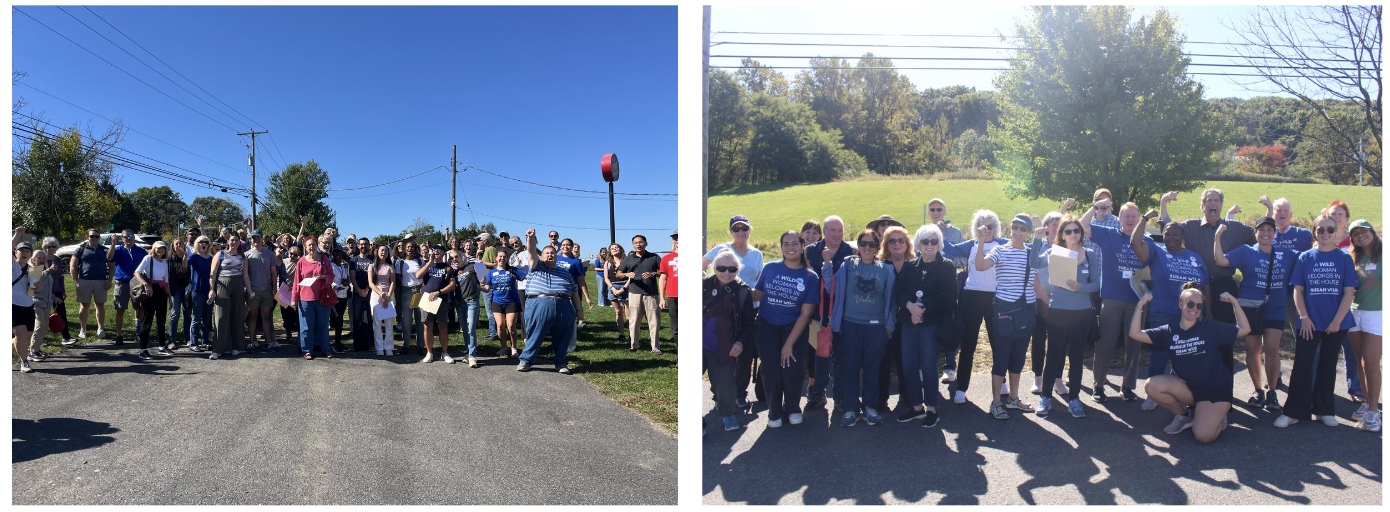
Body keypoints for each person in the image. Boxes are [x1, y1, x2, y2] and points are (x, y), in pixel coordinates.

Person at [1159, 188, 1253, 392]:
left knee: (1224, 340)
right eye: (1208, 200)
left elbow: (1262, 236)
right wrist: (1164, 203)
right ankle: (1195, 390)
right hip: (1197, 290)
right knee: (1195, 341)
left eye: (1216, 200)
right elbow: (1169, 229)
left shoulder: (1235, 228)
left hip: (1224, 288)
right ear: (1202, 206)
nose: (1212, 203)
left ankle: (1224, 392)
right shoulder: (1190, 227)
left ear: (1221, 205)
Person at [1129, 286, 1249, 442]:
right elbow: (1135, 334)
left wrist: (1234, 302)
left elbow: (1245, 329)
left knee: (1203, 436)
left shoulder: (1210, 327)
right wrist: (1141, 305)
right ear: (1181, 304)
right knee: (1151, 385)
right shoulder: (1169, 331)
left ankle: (1217, 415)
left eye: (1199, 306)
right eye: (1190, 304)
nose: (1195, 309)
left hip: (1215, 391)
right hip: (1189, 390)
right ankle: (1185, 415)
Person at [1276, 214, 1360, 428]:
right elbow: (1298, 290)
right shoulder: (1305, 257)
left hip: (1336, 323)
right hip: (1308, 323)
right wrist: (1303, 317)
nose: (1325, 233)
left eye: (1329, 230)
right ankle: (1293, 411)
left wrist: (1336, 321)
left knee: (1328, 366)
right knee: (1302, 365)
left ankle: (1324, 410)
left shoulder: (1344, 259)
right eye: (1320, 229)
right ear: (1314, 233)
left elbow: (1349, 293)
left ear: (1337, 233)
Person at [1212, 216, 1298, 411]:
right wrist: (1217, 237)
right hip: (1249, 306)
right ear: (1255, 233)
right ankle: (1258, 389)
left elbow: (1308, 258)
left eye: (1270, 230)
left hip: (1275, 307)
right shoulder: (1246, 252)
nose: (1266, 233)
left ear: (1275, 233)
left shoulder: (1286, 254)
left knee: (1272, 348)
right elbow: (1220, 260)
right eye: (1262, 230)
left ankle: (1272, 391)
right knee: (1252, 349)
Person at [1133, 210, 1211, 411]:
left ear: (1183, 237)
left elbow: (1205, 287)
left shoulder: (1195, 258)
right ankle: (1153, 395)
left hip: (1191, 315)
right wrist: (1144, 219)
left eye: (1175, 233)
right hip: (1163, 312)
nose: (1171, 237)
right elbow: (1135, 243)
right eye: (1167, 233)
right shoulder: (1157, 252)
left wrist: (1207, 313)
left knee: (1187, 355)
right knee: (1159, 354)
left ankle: (1185, 393)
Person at [973, 214, 1045, 419]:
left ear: (1029, 232)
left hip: (1027, 310)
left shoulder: (1034, 252)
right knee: (1001, 357)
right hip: (1005, 309)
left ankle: (1013, 399)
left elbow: (1037, 284)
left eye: (1023, 228)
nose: (1018, 231)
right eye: (1015, 227)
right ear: (1010, 228)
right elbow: (980, 266)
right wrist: (980, 241)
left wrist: (1051, 303)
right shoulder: (1000, 250)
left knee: (1019, 357)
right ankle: (996, 402)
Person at [824, 228, 896, 426]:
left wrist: (888, 326)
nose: (867, 248)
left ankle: (870, 407)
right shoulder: (848, 265)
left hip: (876, 326)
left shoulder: (885, 270)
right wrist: (827, 265)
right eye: (862, 243)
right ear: (858, 246)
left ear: (877, 247)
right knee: (851, 367)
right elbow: (832, 287)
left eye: (871, 244)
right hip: (850, 324)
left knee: (872, 367)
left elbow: (891, 301)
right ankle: (851, 408)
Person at [1079, 199, 1148, 403]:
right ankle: (1098, 385)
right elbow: (1083, 226)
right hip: (1112, 299)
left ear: (1138, 219)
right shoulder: (1108, 234)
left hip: (1137, 302)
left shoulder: (1146, 241)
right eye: (1126, 216)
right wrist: (1094, 206)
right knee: (1105, 343)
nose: (1130, 219)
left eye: (1133, 216)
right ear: (1120, 218)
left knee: (1134, 345)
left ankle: (1127, 386)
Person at [752, 231, 819, 428]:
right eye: (786, 243)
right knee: (771, 369)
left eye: (795, 243)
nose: (790, 247)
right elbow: (756, 295)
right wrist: (732, 284)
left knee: (793, 370)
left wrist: (789, 344)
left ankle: (793, 408)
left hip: (794, 327)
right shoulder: (770, 268)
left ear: (802, 246)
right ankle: (774, 411)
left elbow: (806, 314)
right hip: (766, 326)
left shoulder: (810, 276)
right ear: (781, 247)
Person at [1034, 215, 1099, 418]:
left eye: (1076, 230)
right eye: (1068, 231)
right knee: (1053, 354)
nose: (1073, 234)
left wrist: (1081, 287)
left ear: (1081, 234)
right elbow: (1034, 262)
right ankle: (1046, 398)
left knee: (1077, 357)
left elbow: (1096, 284)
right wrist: (1036, 239)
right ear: (1061, 234)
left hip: (1082, 312)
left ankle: (1074, 399)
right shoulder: (1055, 252)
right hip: (1058, 311)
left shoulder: (1089, 255)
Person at [893, 224, 955, 428]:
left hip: (931, 323)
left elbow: (947, 297)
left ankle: (931, 408)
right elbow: (899, 291)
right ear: (918, 244)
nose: (929, 245)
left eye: (934, 241)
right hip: (909, 322)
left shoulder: (946, 265)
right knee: (909, 366)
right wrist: (910, 306)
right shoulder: (910, 266)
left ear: (939, 244)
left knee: (928, 367)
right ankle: (916, 407)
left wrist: (922, 308)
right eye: (925, 241)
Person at [940, 210, 1004, 405]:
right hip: (971, 298)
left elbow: (1026, 247)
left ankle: (1002, 383)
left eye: (990, 226)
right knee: (968, 344)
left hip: (996, 298)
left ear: (996, 228)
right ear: (976, 228)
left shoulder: (1003, 244)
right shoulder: (971, 245)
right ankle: (961, 387)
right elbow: (947, 248)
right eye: (982, 226)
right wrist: (940, 230)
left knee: (998, 343)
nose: (986, 230)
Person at [703, 215, 764, 408]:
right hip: (722, 310)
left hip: (748, 308)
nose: (740, 232)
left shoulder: (756, 254)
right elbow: (700, 267)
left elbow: (759, 282)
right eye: (736, 229)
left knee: (744, 354)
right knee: (722, 353)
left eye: (744, 228)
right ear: (731, 231)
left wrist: (753, 295)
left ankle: (740, 393)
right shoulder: (721, 249)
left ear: (749, 230)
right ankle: (719, 391)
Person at [805, 215, 856, 410]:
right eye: (832, 230)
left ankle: (840, 394)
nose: (837, 234)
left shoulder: (851, 252)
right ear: (824, 231)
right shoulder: (810, 251)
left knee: (842, 354)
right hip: (818, 311)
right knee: (820, 353)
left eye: (840, 231)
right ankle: (818, 393)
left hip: (843, 310)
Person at [517, 229, 583, 374]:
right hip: (539, 303)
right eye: (547, 253)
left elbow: (574, 293)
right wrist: (531, 237)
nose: (550, 255)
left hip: (564, 305)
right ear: (541, 256)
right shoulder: (536, 267)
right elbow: (531, 250)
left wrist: (579, 311)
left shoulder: (565, 273)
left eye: (552, 253)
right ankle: (526, 361)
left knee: (563, 336)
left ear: (557, 256)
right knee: (535, 333)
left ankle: (561, 363)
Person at [705, 248, 755, 433]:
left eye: (732, 269)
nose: (726, 273)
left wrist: (740, 342)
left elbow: (749, 324)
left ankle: (728, 413)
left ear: (738, 270)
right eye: (721, 268)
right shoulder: (702, 286)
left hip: (725, 347)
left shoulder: (742, 291)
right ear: (714, 267)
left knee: (726, 387)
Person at [1322, 199, 1365, 403]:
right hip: (1326, 300)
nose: (1337, 217)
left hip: (1352, 301)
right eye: (1333, 214)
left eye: (1341, 214)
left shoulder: (1355, 241)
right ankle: (1321, 388)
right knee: (1323, 349)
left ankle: (1356, 388)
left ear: (1347, 219)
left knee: (1351, 347)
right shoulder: (1321, 238)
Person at [874, 225, 913, 414]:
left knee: (906, 358)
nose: (897, 244)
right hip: (885, 320)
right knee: (884, 359)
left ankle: (907, 394)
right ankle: (881, 398)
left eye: (901, 240)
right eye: (892, 241)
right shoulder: (880, 266)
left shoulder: (914, 264)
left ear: (907, 244)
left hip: (908, 321)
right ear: (886, 245)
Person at [1347, 219, 1382, 431]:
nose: (1360, 236)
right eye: (1356, 234)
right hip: (1354, 312)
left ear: (1371, 231)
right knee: (1359, 360)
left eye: (1363, 231)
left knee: (1371, 361)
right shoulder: (1353, 256)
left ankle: (1373, 413)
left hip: (1377, 314)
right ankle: (1368, 403)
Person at [928, 199, 968, 385]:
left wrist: (945, 260)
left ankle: (950, 368)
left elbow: (962, 260)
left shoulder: (956, 232)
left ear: (945, 211)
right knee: (928, 327)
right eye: (932, 209)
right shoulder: (924, 231)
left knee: (949, 325)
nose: (936, 212)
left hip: (949, 285)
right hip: (927, 286)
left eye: (939, 209)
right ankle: (927, 368)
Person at [617, 234, 663, 355]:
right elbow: (618, 273)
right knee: (634, 320)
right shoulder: (629, 258)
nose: (638, 244)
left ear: (646, 243)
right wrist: (627, 275)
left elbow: (663, 272)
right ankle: (634, 345)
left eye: (641, 242)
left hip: (651, 294)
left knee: (654, 321)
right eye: (636, 243)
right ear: (633, 245)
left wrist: (653, 273)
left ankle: (655, 347)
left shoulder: (654, 257)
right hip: (634, 293)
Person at [291, 235, 335, 360]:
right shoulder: (301, 261)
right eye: (309, 244)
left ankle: (326, 349)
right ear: (305, 247)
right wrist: (294, 299)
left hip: (322, 298)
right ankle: (307, 350)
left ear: (317, 246)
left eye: (313, 244)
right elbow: (296, 281)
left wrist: (324, 278)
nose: (311, 247)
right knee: (306, 326)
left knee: (323, 326)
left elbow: (332, 276)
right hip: (305, 299)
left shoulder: (324, 259)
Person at [208, 234, 252, 359]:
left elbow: (245, 275)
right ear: (228, 241)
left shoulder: (243, 256)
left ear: (239, 242)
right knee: (221, 316)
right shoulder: (220, 254)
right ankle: (218, 349)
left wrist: (249, 290)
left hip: (238, 285)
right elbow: (212, 273)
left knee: (237, 316)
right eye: (232, 240)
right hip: (223, 284)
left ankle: (236, 346)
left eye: (237, 240)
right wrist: (211, 289)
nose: (234, 242)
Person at [416, 244, 458, 363]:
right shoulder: (427, 265)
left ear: (444, 253)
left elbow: (452, 285)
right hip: (427, 299)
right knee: (427, 326)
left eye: (439, 250)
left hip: (441, 300)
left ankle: (445, 353)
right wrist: (429, 263)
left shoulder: (448, 267)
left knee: (443, 326)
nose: (436, 252)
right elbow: (418, 275)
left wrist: (439, 292)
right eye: (434, 250)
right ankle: (429, 352)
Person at [107, 229, 148, 345]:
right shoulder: (119, 250)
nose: (128, 239)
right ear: (122, 239)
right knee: (120, 309)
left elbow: (148, 263)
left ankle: (139, 332)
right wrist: (113, 244)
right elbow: (109, 258)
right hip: (122, 283)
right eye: (125, 237)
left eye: (130, 237)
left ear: (134, 238)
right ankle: (119, 335)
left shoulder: (140, 251)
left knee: (139, 309)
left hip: (137, 283)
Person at [132, 241, 172, 360]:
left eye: (163, 249)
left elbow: (166, 281)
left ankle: (162, 346)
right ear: (154, 249)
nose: (160, 251)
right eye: (158, 248)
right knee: (147, 319)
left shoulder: (165, 263)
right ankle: (143, 349)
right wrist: (146, 285)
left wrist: (170, 298)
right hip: (150, 290)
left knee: (161, 319)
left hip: (161, 291)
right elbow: (137, 272)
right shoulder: (148, 258)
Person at [483, 247, 525, 358]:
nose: (502, 258)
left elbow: (526, 276)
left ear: (506, 259)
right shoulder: (491, 273)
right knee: (500, 325)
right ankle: (504, 347)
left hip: (512, 302)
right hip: (497, 302)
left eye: (504, 257)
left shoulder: (512, 270)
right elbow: (487, 288)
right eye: (500, 256)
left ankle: (513, 348)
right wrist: (476, 286)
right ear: (496, 258)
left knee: (511, 326)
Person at [71, 228, 111, 342]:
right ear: (87, 237)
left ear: (99, 238)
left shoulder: (104, 250)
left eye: (96, 236)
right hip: (84, 280)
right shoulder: (81, 249)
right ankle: (83, 329)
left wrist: (109, 280)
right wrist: (76, 280)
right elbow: (73, 265)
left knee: (100, 305)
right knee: (84, 305)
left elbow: (111, 265)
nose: (94, 238)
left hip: (101, 281)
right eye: (92, 236)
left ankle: (101, 329)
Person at [244, 230, 279, 352]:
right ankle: (253, 341)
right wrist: (248, 291)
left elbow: (274, 273)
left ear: (262, 238)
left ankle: (268, 341)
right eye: (253, 238)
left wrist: (274, 289)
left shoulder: (270, 254)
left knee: (266, 317)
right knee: (252, 317)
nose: (255, 240)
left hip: (267, 290)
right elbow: (245, 274)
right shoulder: (247, 254)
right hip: (253, 291)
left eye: (257, 238)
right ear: (251, 240)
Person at [452, 240, 482, 367]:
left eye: (456, 257)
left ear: (462, 257)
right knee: (465, 329)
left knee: (471, 328)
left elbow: (483, 278)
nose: (454, 259)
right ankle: (468, 353)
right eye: (452, 258)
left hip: (472, 301)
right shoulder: (453, 272)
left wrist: (480, 264)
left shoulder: (471, 266)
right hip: (459, 303)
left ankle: (472, 356)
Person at [41, 237, 75, 347]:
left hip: (57, 291)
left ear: (56, 248)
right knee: (42, 317)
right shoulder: (41, 259)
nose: (50, 249)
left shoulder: (58, 260)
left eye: (53, 246)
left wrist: (63, 291)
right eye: (48, 247)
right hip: (43, 292)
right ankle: (39, 340)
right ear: (44, 248)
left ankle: (66, 337)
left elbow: (60, 277)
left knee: (61, 315)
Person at [394, 241, 426, 356]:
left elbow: (424, 276)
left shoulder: (420, 261)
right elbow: (397, 281)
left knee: (419, 320)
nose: (410, 249)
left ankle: (420, 346)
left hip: (418, 291)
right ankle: (406, 345)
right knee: (406, 321)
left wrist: (423, 287)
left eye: (412, 247)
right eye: (408, 247)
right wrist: (397, 298)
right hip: (406, 292)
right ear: (404, 249)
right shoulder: (400, 263)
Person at [185, 236, 215, 351]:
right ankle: (193, 343)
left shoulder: (211, 258)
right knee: (196, 318)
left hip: (209, 291)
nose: (204, 244)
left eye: (206, 242)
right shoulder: (194, 256)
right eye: (201, 242)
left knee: (206, 318)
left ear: (208, 245)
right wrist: (183, 255)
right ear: (197, 244)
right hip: (197, 290)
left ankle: (205, 341)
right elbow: (185, 266)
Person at [27, 246, 57, 362]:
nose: (41, 259)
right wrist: (50, 270)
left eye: (43, 258)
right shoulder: (33, 270)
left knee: (44, 327)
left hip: (47, 303)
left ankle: (37, 349)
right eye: (38, 258)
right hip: (36, 303)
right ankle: (32, 352)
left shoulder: (46, 270)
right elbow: (38, 278)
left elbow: (47, 287)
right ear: (33, 259)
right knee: (39, 326)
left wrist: (54, 297)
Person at [14, 229, 37, 373]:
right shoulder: (11, 266)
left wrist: (38, 286)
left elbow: (33, 290)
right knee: (21, 334)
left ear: (30, 254)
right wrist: (16, 235)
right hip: (13, 305)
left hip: (28, 305)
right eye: (21, 250)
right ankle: (24, 362)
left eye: (27, 251)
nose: (24, 253)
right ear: (15, 252)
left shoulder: (33, 269)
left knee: (26, 338)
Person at [368, 245, 397, 356]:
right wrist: (381, 294)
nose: (383, 252)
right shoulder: (371, 266)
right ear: (377, 252)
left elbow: (393, 282)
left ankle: (389, 347)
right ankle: (379, 348)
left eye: (385, 251)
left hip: (389, 296)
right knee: (377, 323)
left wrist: (388, 295)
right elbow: (371, 283)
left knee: (389, 324)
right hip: (376, 296)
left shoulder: (390, 266)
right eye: (381, 250)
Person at [164, 238, 191, 352]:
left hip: (186, 288)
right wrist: (169, 291)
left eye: (180, 243)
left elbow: (185, 268)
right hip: (175, 289)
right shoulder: (170, 259)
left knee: (187, 313)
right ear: (173, 247)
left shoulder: (188, 257)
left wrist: (184, 255)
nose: (179, 245)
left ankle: (188, 338)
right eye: (176, 244)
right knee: (175, 314)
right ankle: (172, 339)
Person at [349, 236, 375, 349]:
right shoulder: (353, 260)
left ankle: (371, 342)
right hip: (357, 293)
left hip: (371, 293)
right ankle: (357, 342)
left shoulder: (373, 259)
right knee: (356, 319)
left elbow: (375, 277)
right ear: (358, 246)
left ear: (369, 246)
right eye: (361, 244)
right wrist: (359, 290)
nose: (363, 246)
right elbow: (352, 277)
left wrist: (367, 289)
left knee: (371, 318)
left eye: (366, 244)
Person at [604, 243, 631, 339]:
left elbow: (630, 277)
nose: (615, 249)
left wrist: (624, 288)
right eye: (612, 248)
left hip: (626, 286)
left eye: (616, 248)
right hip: (613, 287)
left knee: (628, 312)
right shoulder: (608, 263)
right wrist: (613, 288)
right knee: (618, 312)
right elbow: (606, 278)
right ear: (610, 252)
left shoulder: (627, 261)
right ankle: (621, 334)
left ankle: (631, 334)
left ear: (621, 249)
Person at [278, 244, 301, 349]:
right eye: (291, 253)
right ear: (288, 253)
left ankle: (297, 333)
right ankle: (288, 332)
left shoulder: (299, 263)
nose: (293, 256)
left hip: (293, 290)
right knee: (284, 312)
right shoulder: (283, 262)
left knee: (294, 312)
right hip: (282, 289)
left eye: (295, 255)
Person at [328, 248, 351, 352]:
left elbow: (346, 277)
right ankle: (335, 342)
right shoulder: (330, 266)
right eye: (335, 254)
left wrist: (347, 281)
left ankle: (338, 341)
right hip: (335, 295)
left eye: (340, 254)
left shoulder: (342, 266)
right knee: (338, 319)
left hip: (344, 295)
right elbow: (330, 281)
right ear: (332, 255)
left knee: (340, 318)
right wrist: (338, 286)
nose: (338, 256)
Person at [659, 230, 679, 345]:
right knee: (676, 329)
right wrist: (662, 298)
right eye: (676, 238)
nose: (678, 240)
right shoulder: (666, 258)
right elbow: (663, 278)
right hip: (673, 296)